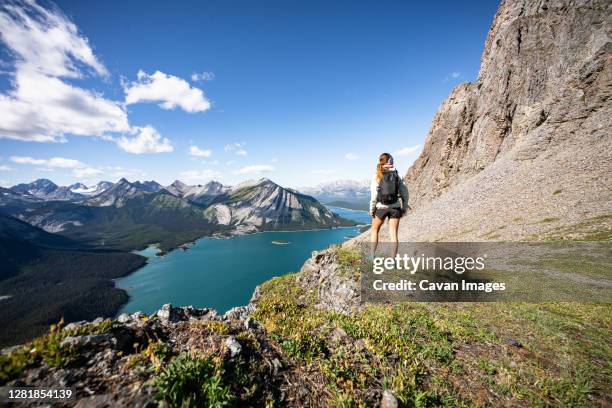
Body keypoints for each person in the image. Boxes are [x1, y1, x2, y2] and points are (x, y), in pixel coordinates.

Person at [369, 153, 409, 257]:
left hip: (381, 208)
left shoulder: (377, 175)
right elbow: (405, 192)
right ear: (391, 161)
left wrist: (372, 209)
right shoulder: (397, 174)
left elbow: (374, 196)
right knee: (393, 235)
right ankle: (392, 260)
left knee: (374, 229)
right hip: (395, 207)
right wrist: (404, 207)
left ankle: (372, 255)